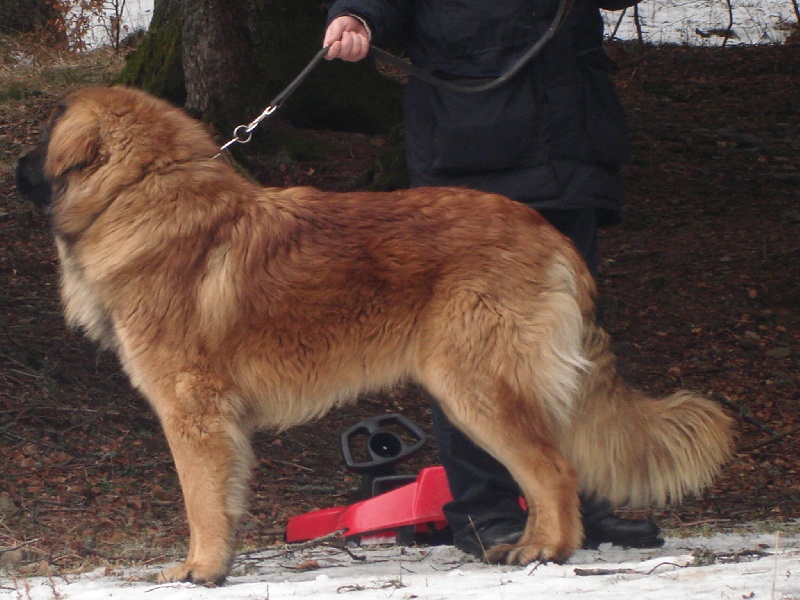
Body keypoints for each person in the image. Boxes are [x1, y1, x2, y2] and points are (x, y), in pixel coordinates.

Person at [323, 0, 664, 557]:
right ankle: (487, 510)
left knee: (566, 349)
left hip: (566, 142)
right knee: (466, 355)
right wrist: (357, 17)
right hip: (467, 148)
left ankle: (585, 501)